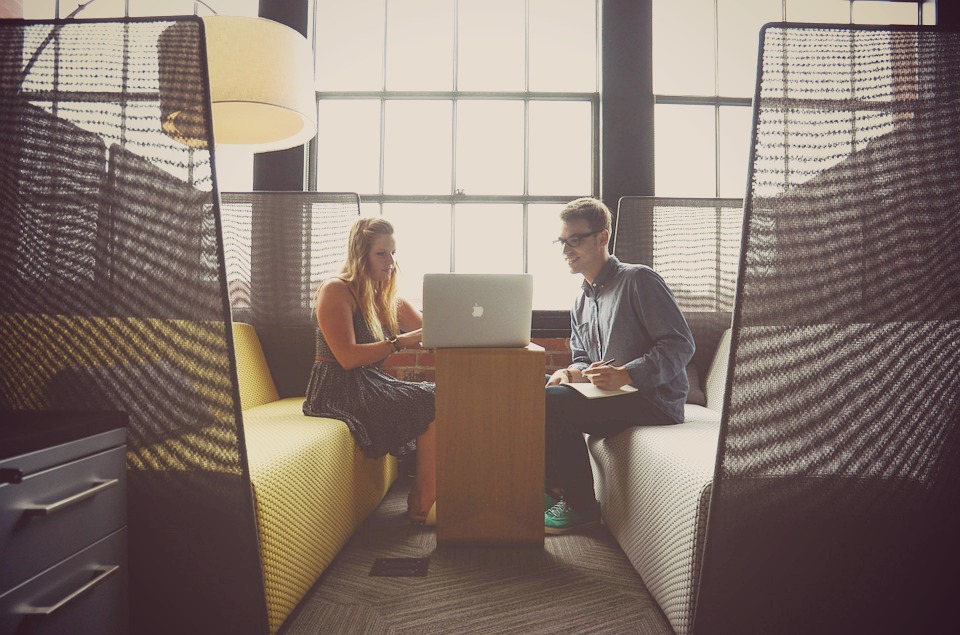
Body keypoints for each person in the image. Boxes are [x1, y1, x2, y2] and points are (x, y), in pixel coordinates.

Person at [543, 197, 694, 534]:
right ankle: (551, 489)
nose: (567, 249)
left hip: (652, 401)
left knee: (549, 403)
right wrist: (570, 372)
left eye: (576, 240)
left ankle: (581, 508)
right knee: (533, 387)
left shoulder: (639, 279)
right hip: (608, 396)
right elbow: (582, 357)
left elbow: (680, 344)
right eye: (562, 241)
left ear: (602, 237)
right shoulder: (581, 301)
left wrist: (627, 374)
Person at [303, 217, 436, 525]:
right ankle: (424, 499)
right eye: (381, 254)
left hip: (369, 383)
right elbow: (347, 358)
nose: (391, 262)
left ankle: (424, 494)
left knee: (436, 396)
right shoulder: (336, 290)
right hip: (335, 388)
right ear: (360, 255)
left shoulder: (387, 296)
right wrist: (399, 342)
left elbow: (432, 331)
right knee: (431, 400)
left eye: (393, 253)